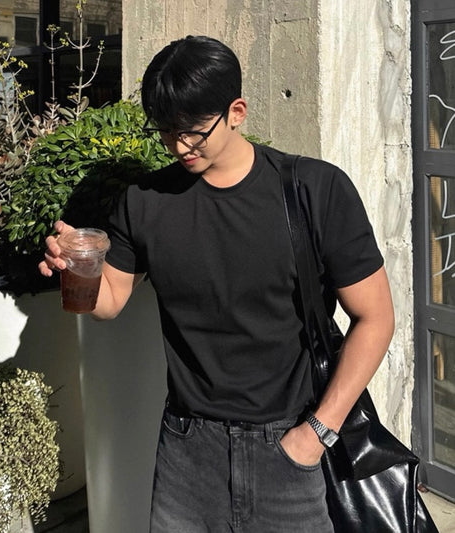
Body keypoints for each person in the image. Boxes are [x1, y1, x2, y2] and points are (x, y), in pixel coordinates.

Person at [39, 35, 394, 532]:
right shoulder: (145, 201)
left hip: (290, 446)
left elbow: (375, 317)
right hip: (187, 451)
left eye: (193, 131)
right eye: (166, 131)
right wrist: (73, 269)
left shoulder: (313, 190)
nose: (179, 146)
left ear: (236, 112)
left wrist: (316, 434)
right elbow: (109, 302)